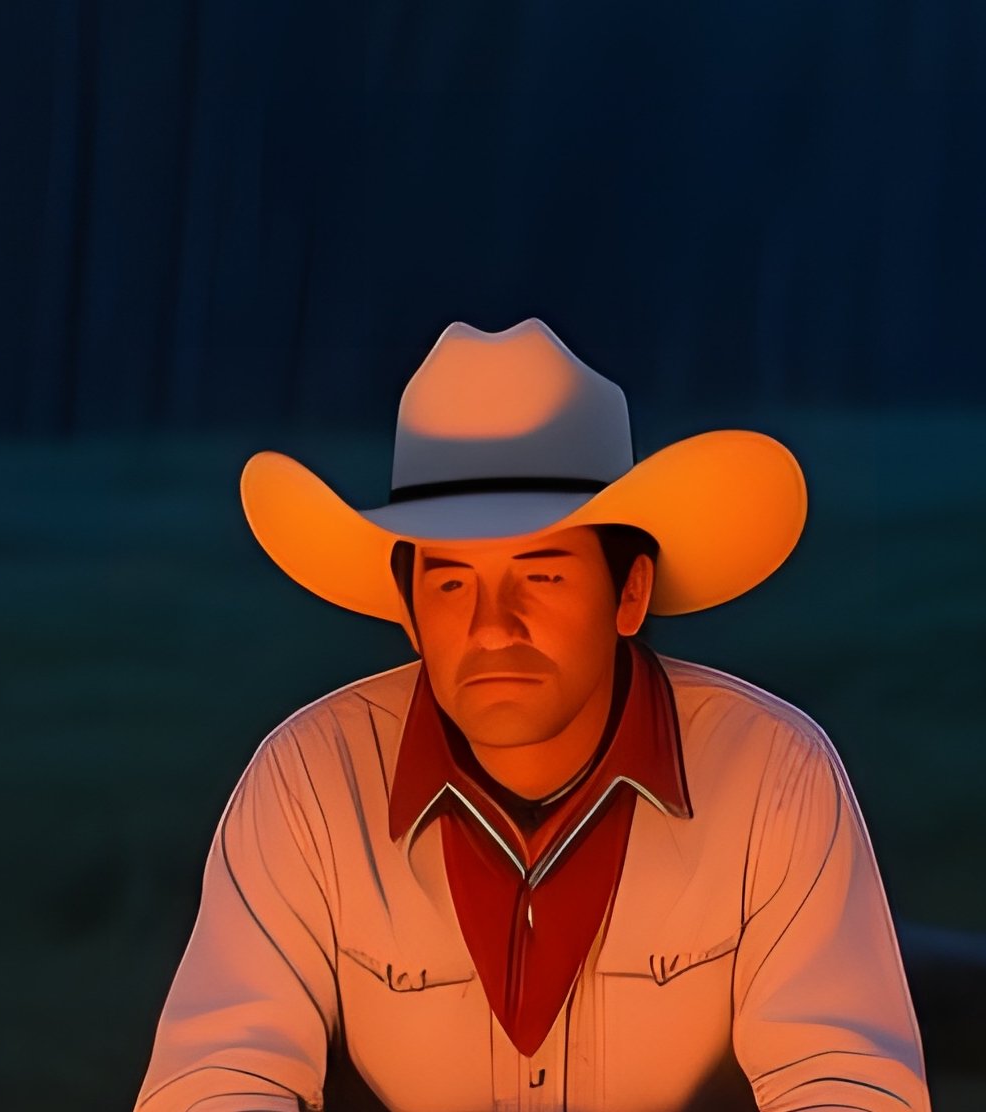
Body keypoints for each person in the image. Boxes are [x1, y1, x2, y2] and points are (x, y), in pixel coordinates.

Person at [135, 318, 931, 1112]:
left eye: (542, 577)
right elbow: (217, 1080)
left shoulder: (771, 777)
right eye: (452, 583)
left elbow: (846, 1081)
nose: (492, 627)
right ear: (408, 613)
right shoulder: (311, 783)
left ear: (630, 593)